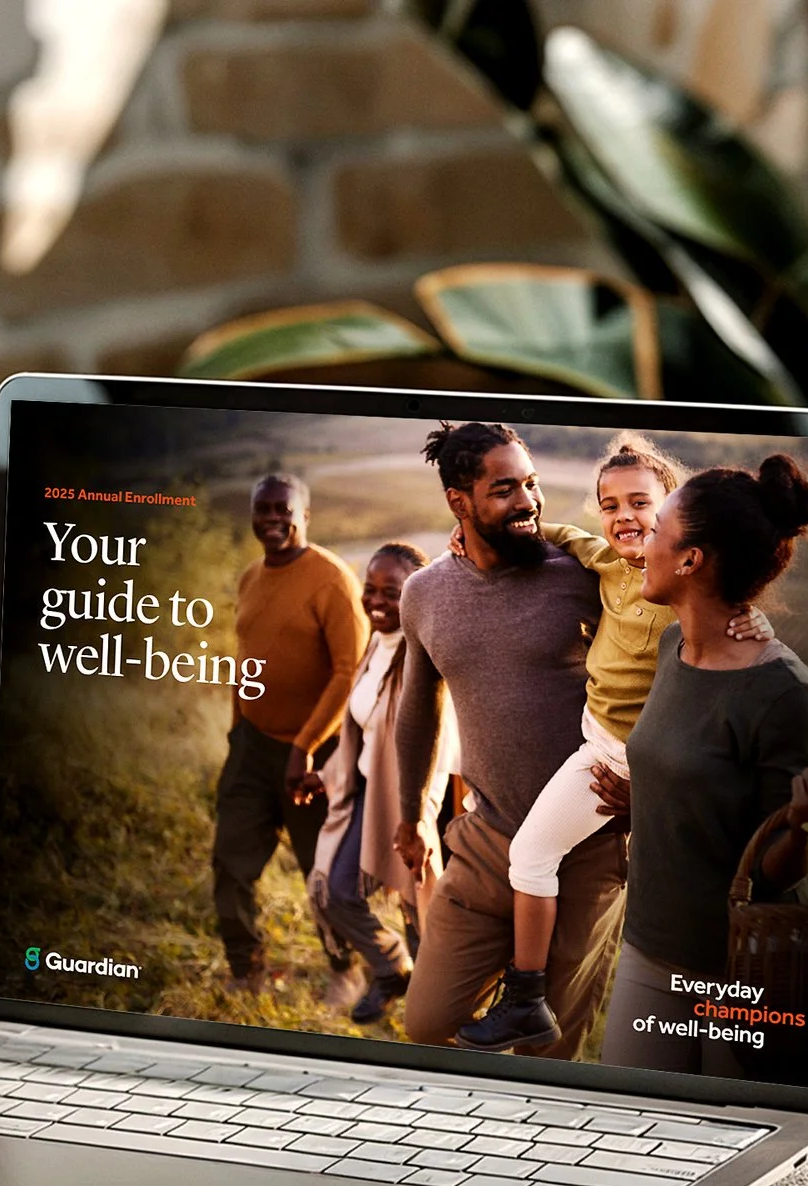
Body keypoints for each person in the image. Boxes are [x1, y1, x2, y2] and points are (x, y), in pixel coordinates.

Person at [456, 436, 771, 1051]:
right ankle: (527, 1000)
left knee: (645, 895)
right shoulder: (604, 562)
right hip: (594, 750)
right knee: (532, 857)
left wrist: (754, 620)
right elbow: (562, 536)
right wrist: (474, 540)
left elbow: (736, 623)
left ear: (674, 511)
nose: (623, 516)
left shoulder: (689, 587)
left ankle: (697, 1021)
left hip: (639, 765)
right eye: (610, 504)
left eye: (640, 503)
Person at [590, 455, 808, 1076]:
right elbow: (689, 769)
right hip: (650, 946)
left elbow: (775, 871)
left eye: (659, 531)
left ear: (690, 560)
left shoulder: (785, 695)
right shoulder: (675, 646)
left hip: (735, 975)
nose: (641, 541)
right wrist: (648, 796)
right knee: (626, 1132)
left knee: (723, 1139)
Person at [390, 422, 625, 1059]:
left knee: (552, 1050)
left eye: (532, 484)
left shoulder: (577, 577)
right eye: (505, 489)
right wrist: (412, 814)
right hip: (487, 842)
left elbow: (657, 661)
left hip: (589, 845)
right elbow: (418, 710)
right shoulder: (426, 593)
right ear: (458, 502)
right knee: (426, 1023)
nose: (527, 500)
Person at [214, 473, 367, 988]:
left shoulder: (331, 580)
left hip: (315, 757)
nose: (273, 520)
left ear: (305, 515)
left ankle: (346, 975)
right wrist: (238, 731)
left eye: (284, 510)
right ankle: (247, 972)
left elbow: (350, 671)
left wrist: (303, 747)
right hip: (252, 748)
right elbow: (247, 662)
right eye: (264, 510)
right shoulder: (251, 576)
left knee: (320, 874)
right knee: (229, 864)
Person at [307, 543, 457, 1026]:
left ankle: (431, 1016)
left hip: (416, 805)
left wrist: (419, 821)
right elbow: (364, 729)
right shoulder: (376, 645)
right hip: (371, 795)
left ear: (417, 594)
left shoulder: (427, 656)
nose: (376, 601)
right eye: (370, 589)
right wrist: (325, 774)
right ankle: (391, 968)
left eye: (391, 592)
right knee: (337, 889)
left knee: (418, 910)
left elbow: (439, 749)